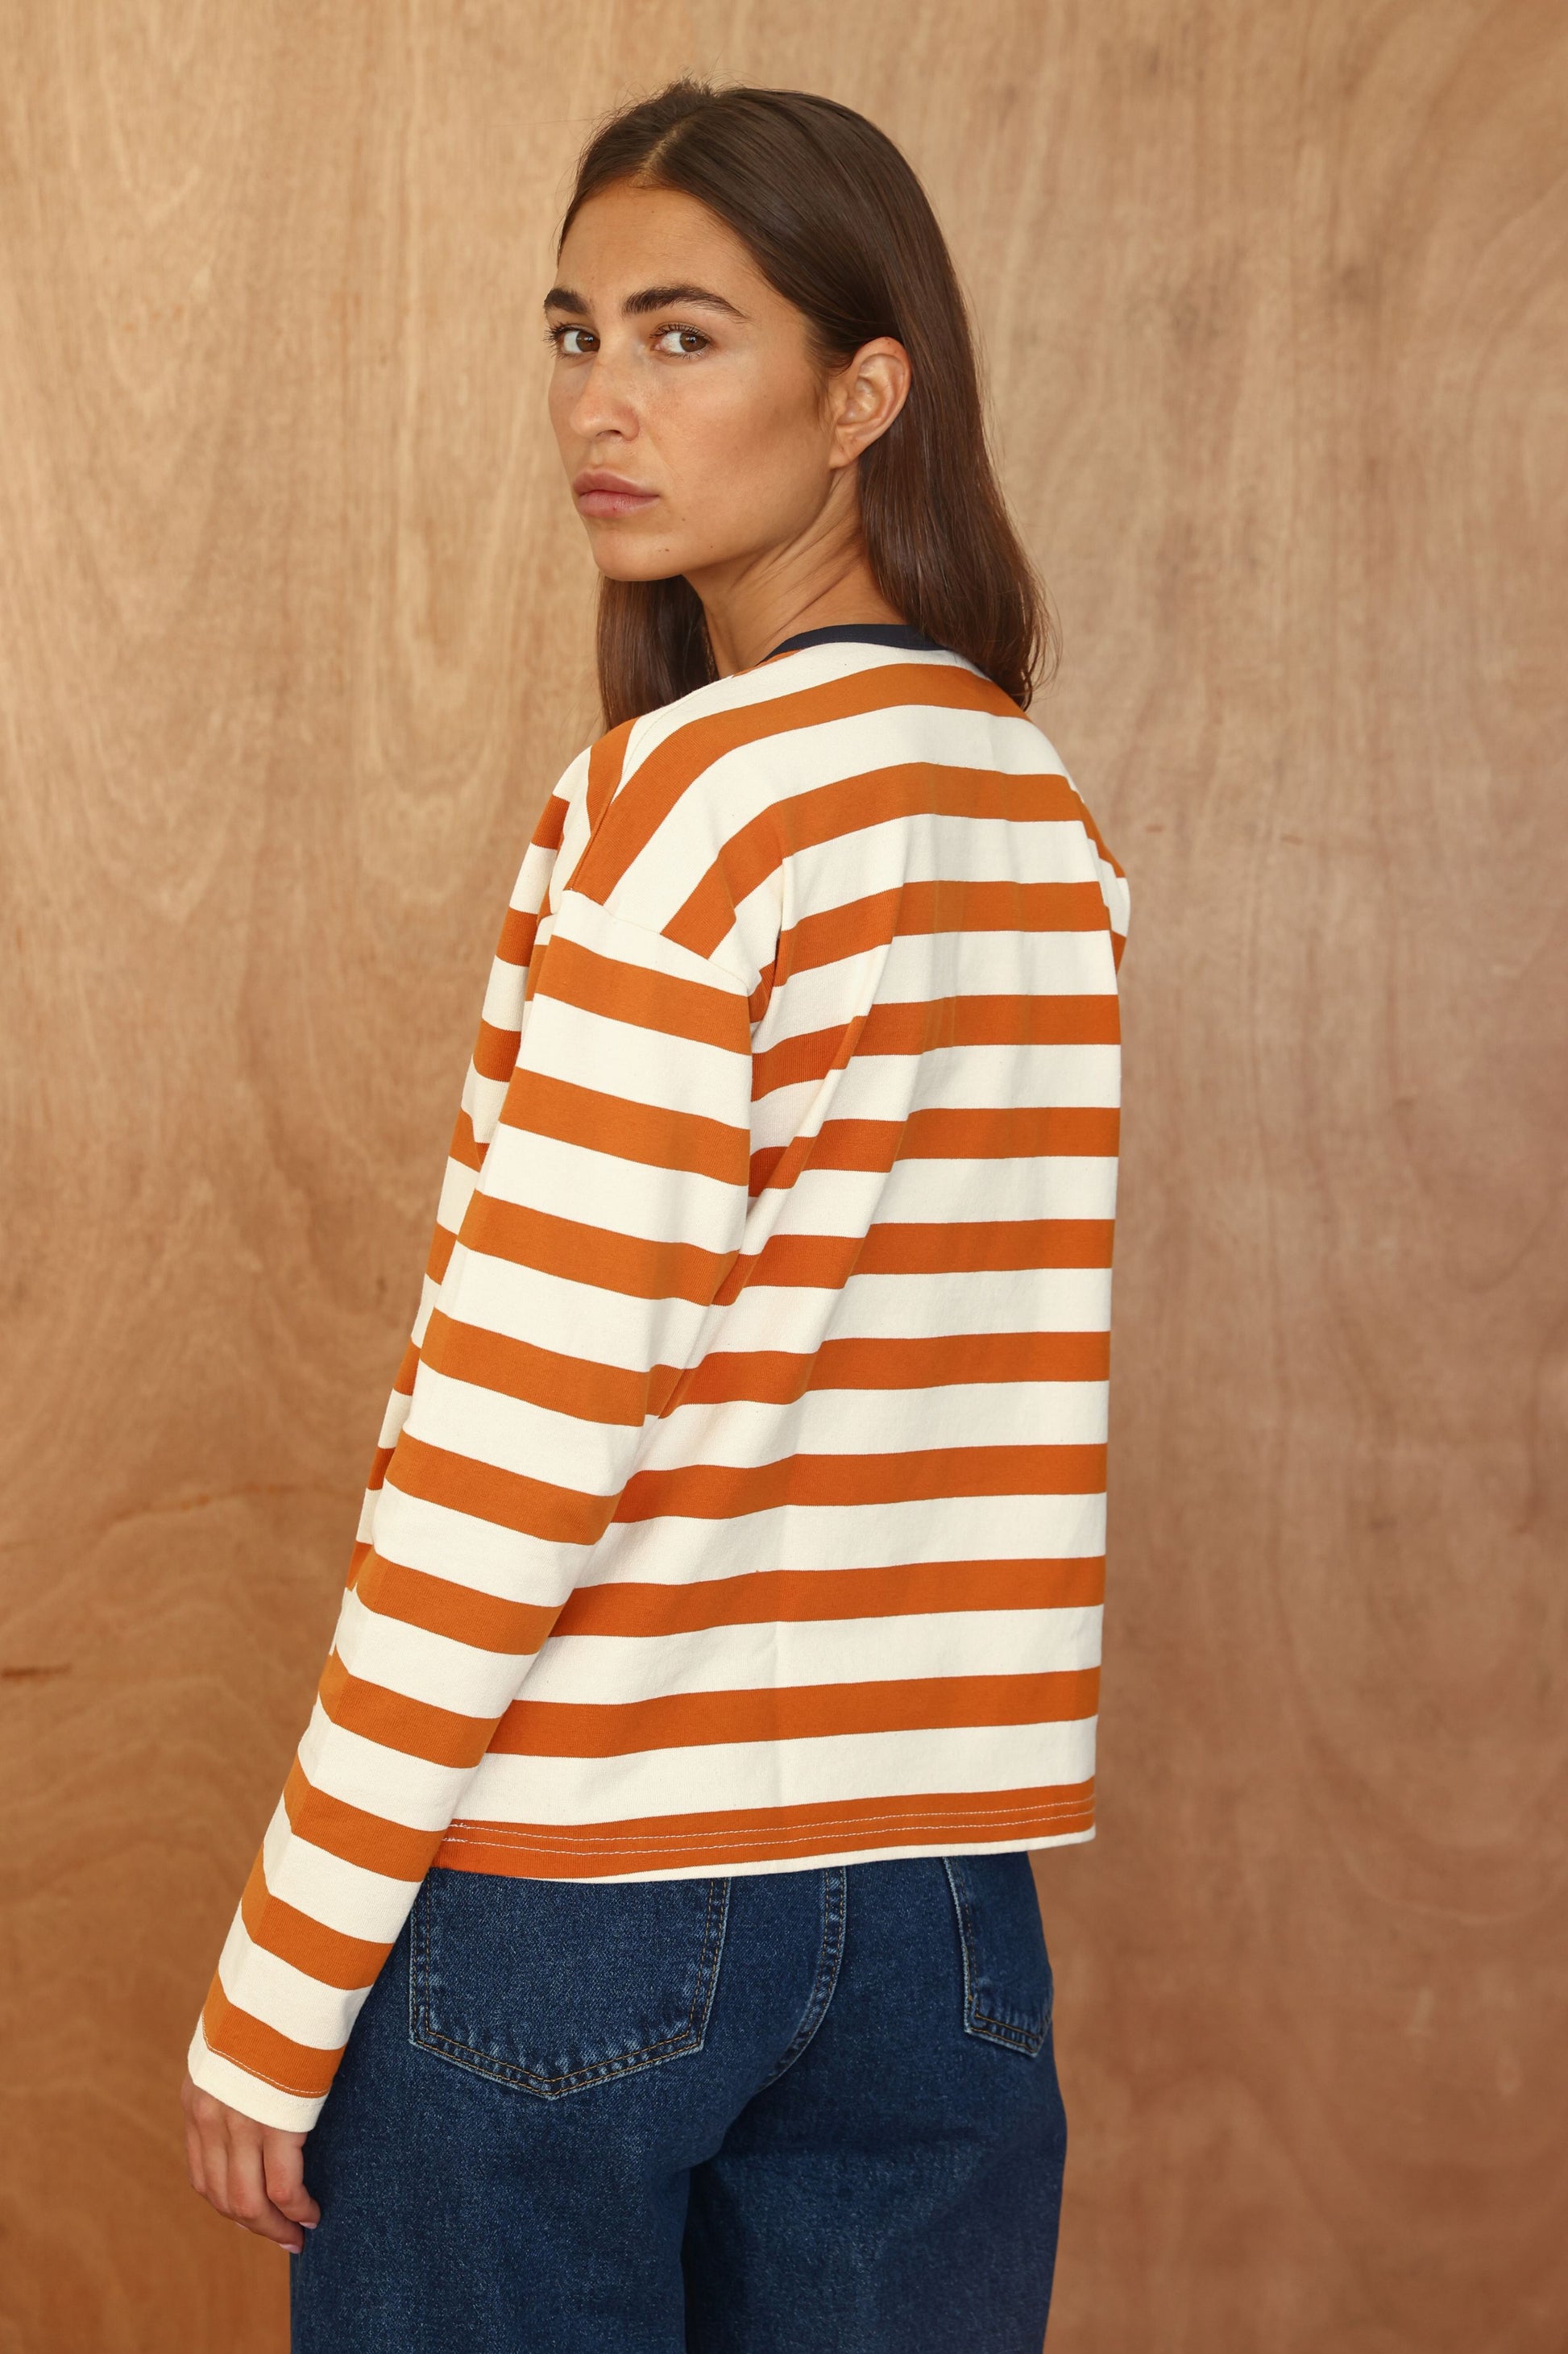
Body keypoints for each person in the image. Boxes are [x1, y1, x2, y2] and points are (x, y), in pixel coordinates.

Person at [181, 77, 1129, 2353]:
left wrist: (286, 1964)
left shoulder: (687, 805)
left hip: (581, 1902)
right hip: (940, 1909)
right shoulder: (1037, 813)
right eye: (574, 332)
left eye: (684, 337)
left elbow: (522, 1435)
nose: (600, 403)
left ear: (864, 391)